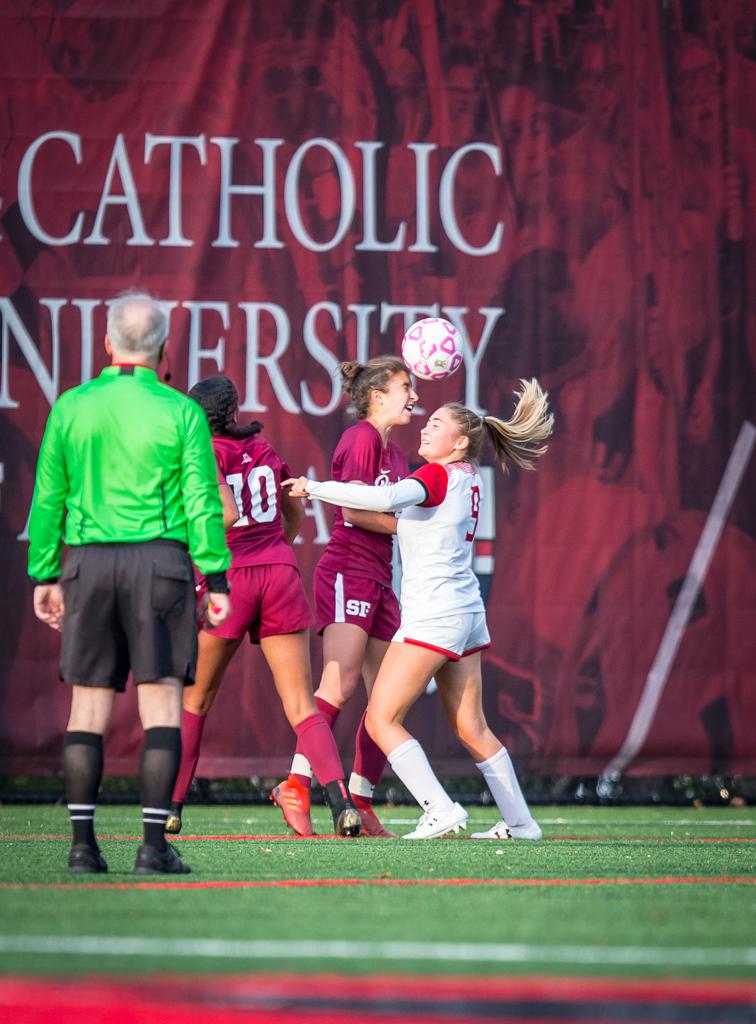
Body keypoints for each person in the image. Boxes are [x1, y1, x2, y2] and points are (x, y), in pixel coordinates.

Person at [286, 380, 552, 839]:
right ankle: (522, 823)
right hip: (467, 613)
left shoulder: (436, 475)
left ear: (461, 442)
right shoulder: (467, 478)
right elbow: (400, 516)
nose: (425, 429)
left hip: (435, 616)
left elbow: (383, 499)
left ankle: (439, 808)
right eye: (426, 422)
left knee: (380, 718)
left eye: (437, 425)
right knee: (472, 726)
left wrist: (316, 487)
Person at [27, 290, 232, 874]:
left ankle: (82, 847)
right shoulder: (180, 412)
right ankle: (152, 847)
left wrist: (45, 571)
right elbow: (201, 500)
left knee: (86, 706)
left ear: (109, 343)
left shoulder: (72, 406)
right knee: (162, 700)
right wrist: (215, 577)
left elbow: (49, 496)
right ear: (163, 349)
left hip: (87, 563)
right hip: (161, 565)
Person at [165, 376, 361, 838]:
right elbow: (294, 511)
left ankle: (171, 806)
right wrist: (275, 550)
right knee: (301, 706)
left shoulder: (200, 453)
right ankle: (341, 805)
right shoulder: (265, 450)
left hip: (229, 577)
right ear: (233, 411)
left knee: (196, 701)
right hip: (278, 572)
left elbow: (217, 515)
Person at [272, 356, 418, 837]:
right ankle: (296, 783)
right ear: (378, 397)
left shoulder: (395, 453)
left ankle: (361, 796)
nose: (413, 396)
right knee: (340, 685)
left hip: (380, 578)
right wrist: (409, 527)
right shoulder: (361, 439)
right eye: (404, 387)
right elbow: (353, 511)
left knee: (388, 700)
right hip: (348, 571)